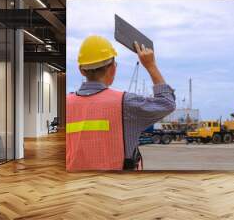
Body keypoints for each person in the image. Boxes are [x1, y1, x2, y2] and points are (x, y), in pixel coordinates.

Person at [66, 35, 176, 171]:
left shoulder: (66, 104)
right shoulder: (124, 103)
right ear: (112, 68)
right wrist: (151, 65)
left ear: (81, 70)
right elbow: (167, 103)